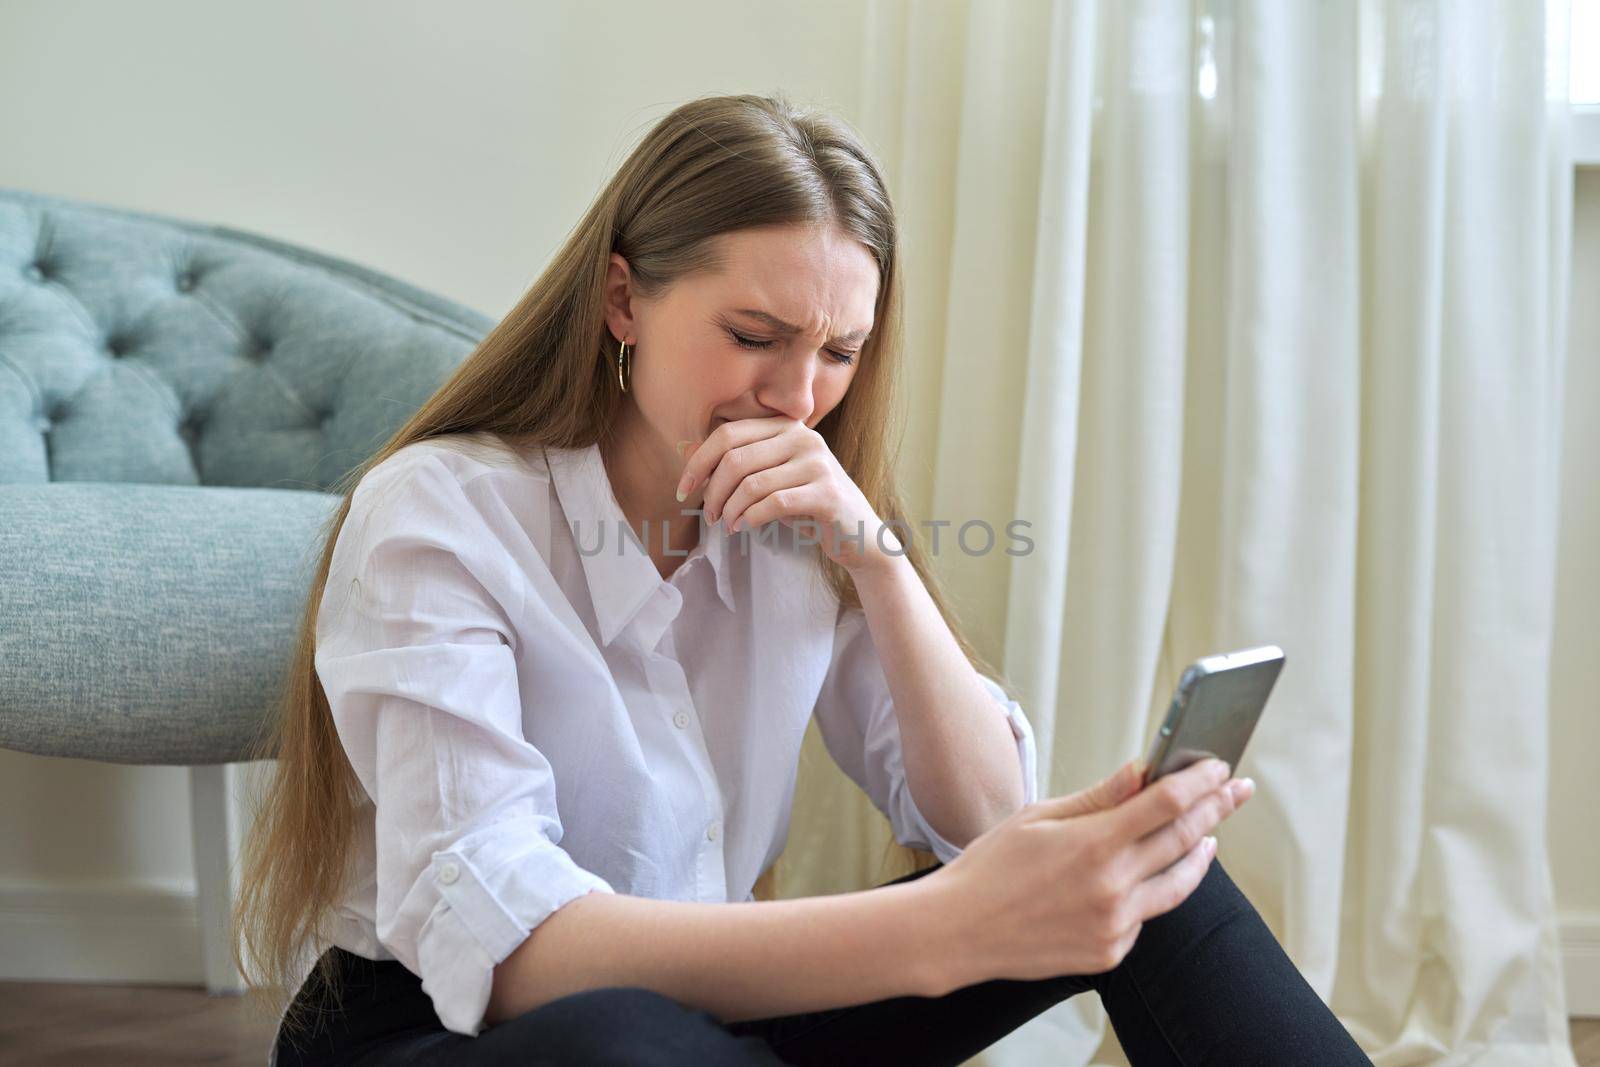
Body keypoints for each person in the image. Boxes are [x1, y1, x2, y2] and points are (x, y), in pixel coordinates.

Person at [232, 91, 1373, 1066]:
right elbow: (514, 945)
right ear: (623, 300)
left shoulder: (803, 518)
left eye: (837, 351)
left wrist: (873, 558)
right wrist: (947, 929)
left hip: (709, 1014)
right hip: (446, 1029)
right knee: (630, 1038)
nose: (796, 394)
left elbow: (985, 822)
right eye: (753, 332)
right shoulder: (442, 511)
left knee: (1150, 886)